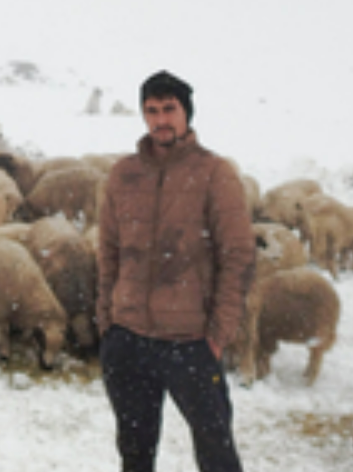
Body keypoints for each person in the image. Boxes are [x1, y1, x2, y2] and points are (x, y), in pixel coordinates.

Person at [96, 70, 256, 472]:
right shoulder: (124, 174)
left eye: (170, 109)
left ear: (187, 113)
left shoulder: (215, 173)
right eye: (152, 111)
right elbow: (109, 252)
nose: (161, 120)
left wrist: (218, 334)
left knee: (216, 452)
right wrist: (108, 323)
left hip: (190, 343)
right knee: (134, 452)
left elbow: (237, 254)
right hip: (129, 340)